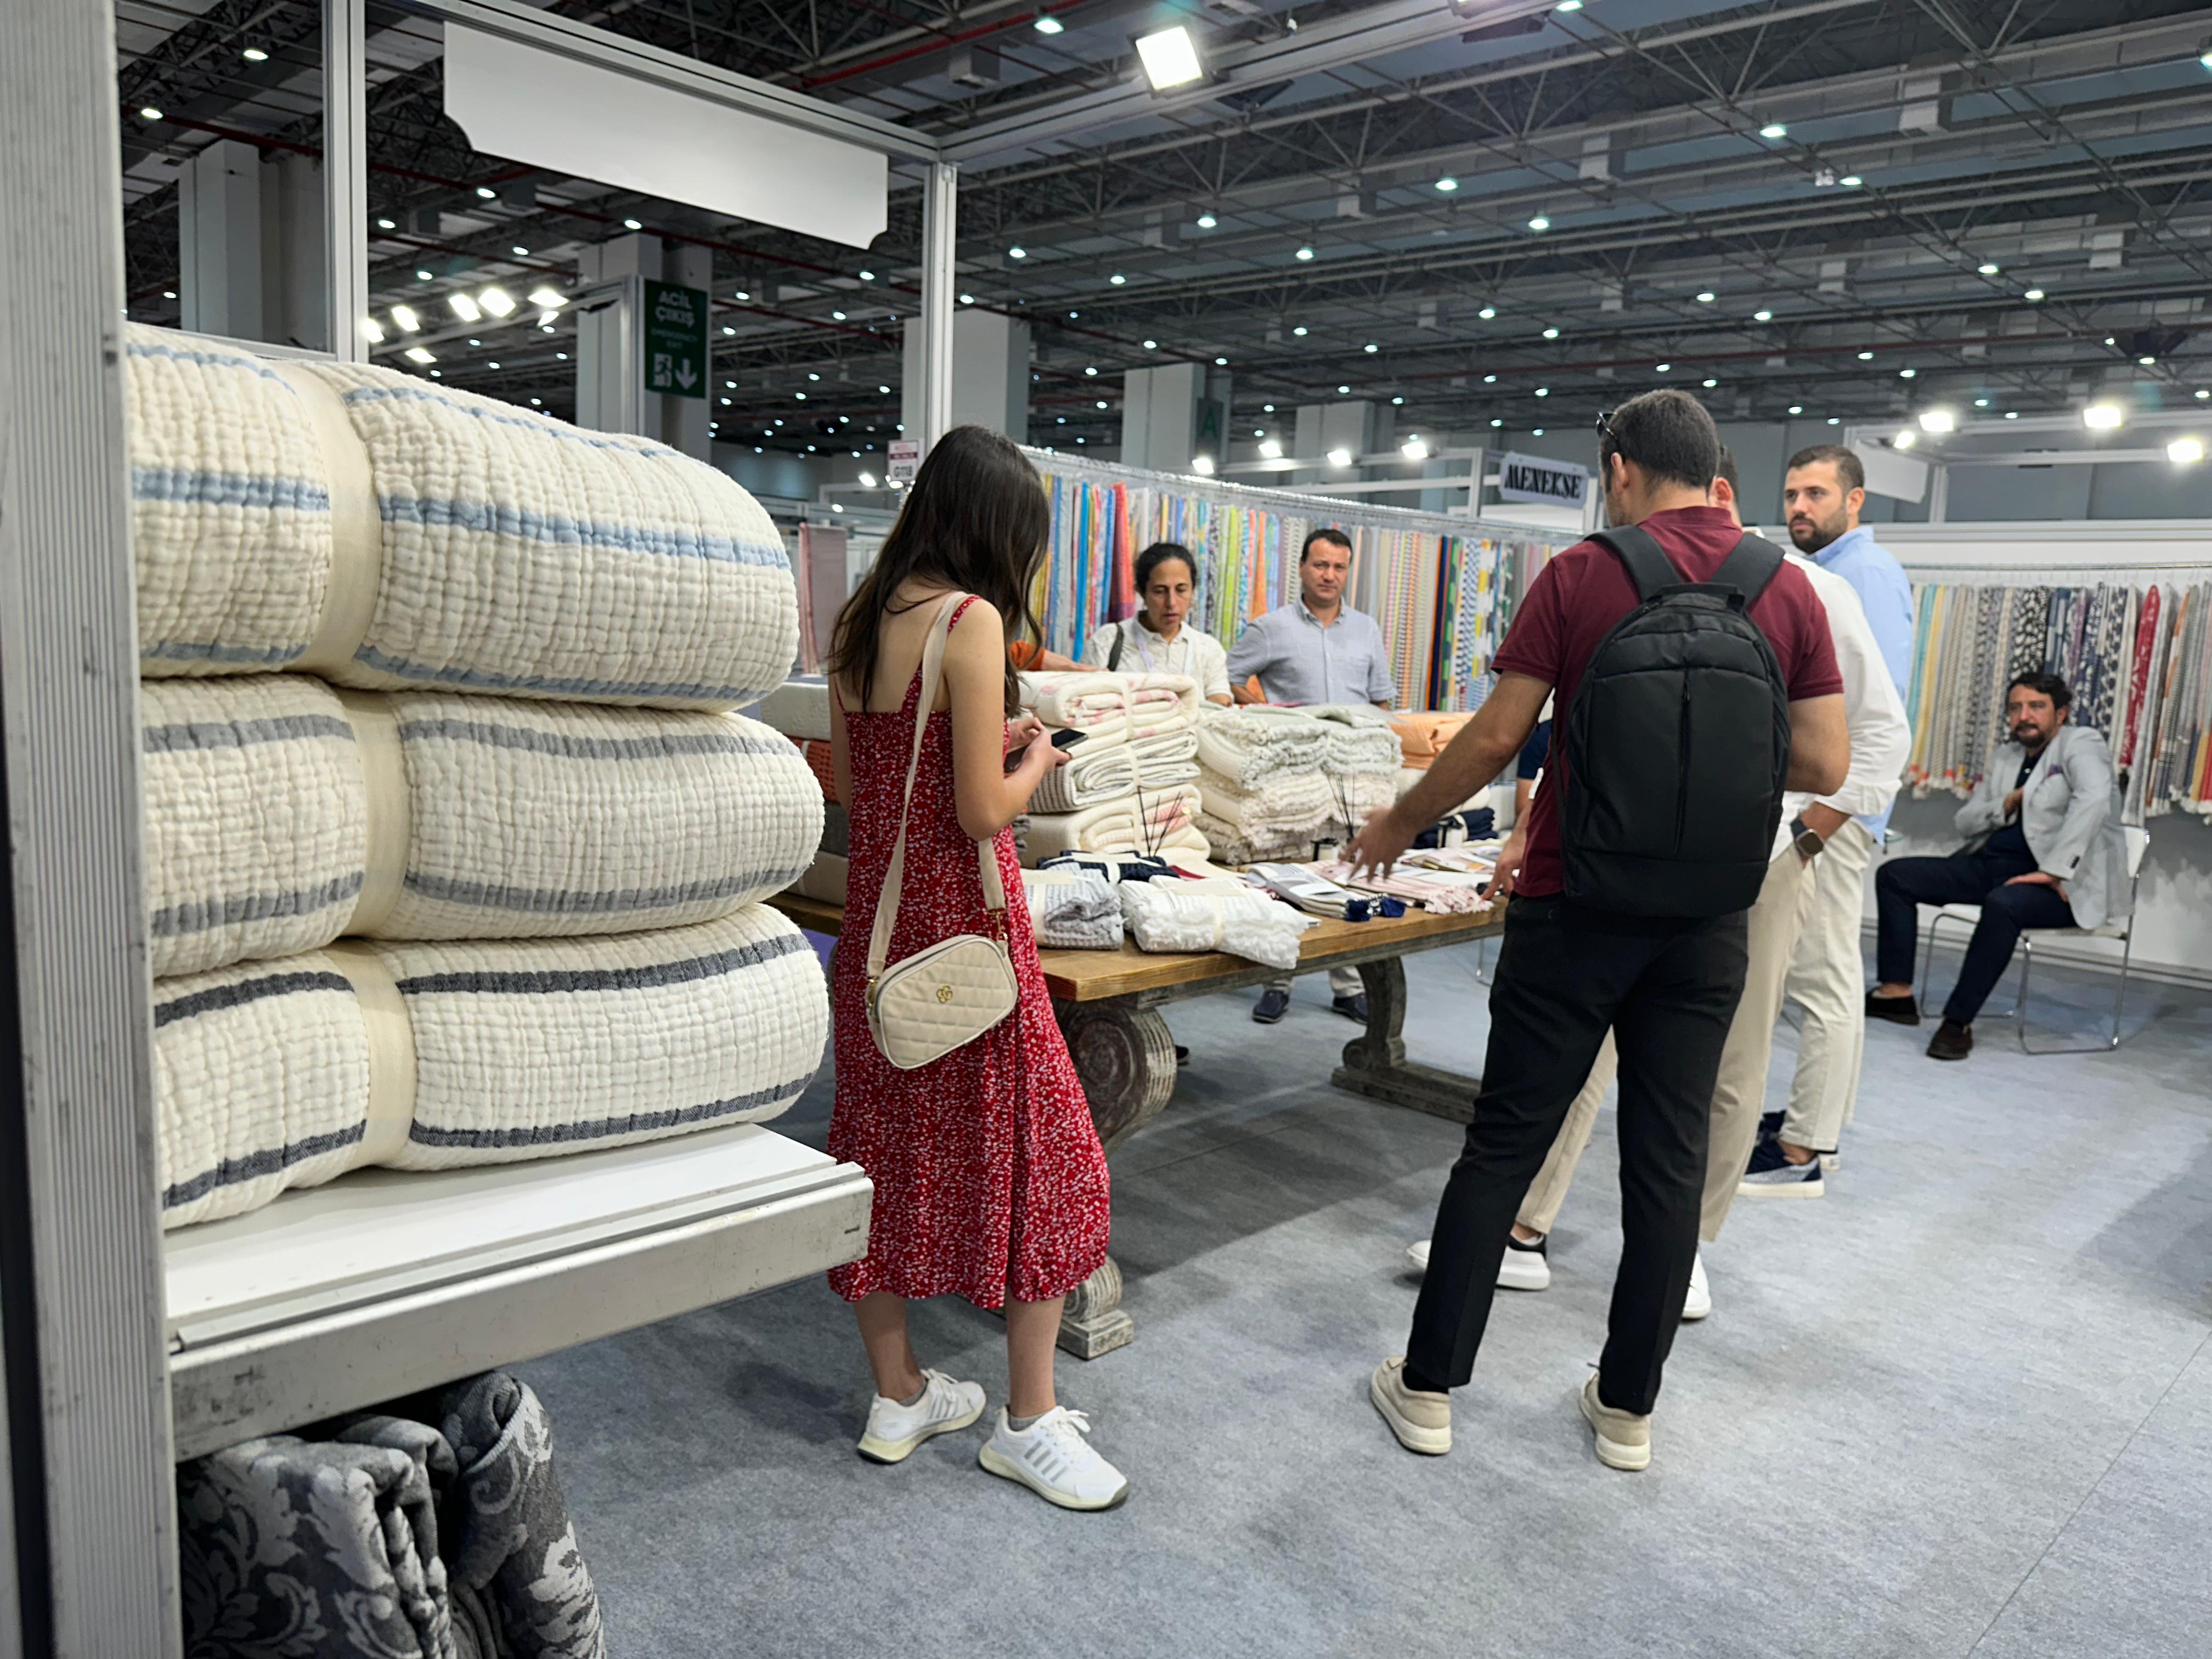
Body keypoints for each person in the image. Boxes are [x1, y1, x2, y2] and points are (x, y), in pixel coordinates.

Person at [1350, 391, 1849, 1471]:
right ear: (1713, 470)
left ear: (1620, 469)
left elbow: (1496, 736)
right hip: (1707, 919)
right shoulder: (1785, 587)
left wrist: (1400, 818)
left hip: (1574, 903)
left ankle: (1428, 1388)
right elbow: (1825, 762)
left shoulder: (1582, 573)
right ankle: (1627, 1410)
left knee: (1503, 1146)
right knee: (1666, 1163)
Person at [825, 425, 1127, 1511]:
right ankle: (1029, 1421)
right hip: (970, 945)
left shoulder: (859, 619)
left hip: (878, 944)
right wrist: (1032, 754)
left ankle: (899, 1393)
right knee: (1054, 1160)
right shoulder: (970, 619)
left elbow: (866, 789)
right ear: (995, 529)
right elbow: (978, 811)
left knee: (882, 1160)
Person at [1767, 443, 1915, 1176]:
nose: (1800, 507)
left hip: (1831, 816)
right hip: (1823, 810)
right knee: (1821, 974)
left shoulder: (1862, 576)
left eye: (1817, 494)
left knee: (1820, 978)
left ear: (1855, 500)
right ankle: (1815, 1120)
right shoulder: (1827, 573)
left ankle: (1805, 1145)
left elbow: (1877, 722)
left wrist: (1814, 829)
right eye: (1793, 494)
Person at [1868, 672, 2130, 1061]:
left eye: (2036, 707)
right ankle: (1895, 994)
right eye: (2015, 708)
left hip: (2059, 885)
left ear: (2060, 713)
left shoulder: (2080, 744)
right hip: (1992, 868)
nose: (2024, 716)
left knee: (2003, 904)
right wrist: (2006, 804)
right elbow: (1966, 822)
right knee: (1895, 876)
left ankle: (1957, 1023)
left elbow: (2092, 801)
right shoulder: (2006, 757)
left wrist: (2056, 870)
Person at [1224, 527, 1397, 1024]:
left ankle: (1348, 987)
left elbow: (1381, 699)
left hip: (1352, 778)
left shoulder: (1366, 629)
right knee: (1290, 874)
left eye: (1339, 567)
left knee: (1351, 877)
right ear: (1302, 567)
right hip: (1294, 779)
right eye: (1321, 565)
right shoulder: (1271, 628)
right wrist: (1271, 717)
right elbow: (1228, 678)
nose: (1329, 575)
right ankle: (1277, 982)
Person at [1080, 541, 1234, 704]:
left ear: (1192, 590)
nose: (1171, 603)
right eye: (1160, 592)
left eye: (1181, 590)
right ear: (1141, 592)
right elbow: (1081, 699)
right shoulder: (1108, 641)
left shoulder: (1208, 649)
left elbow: (1220, 702)